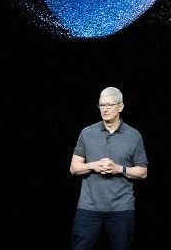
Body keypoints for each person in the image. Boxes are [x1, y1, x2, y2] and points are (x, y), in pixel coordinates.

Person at [69, 87, 148, 250]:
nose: (104, 109)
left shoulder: (134, 136)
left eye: (109, 105)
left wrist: (120, 169)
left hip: (121, 208)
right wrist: (93, 165)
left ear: (121, 107)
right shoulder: (87, 133)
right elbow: (73, 168)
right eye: (101, 105)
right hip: (88, 208)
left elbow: (143, 172)